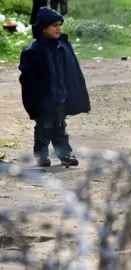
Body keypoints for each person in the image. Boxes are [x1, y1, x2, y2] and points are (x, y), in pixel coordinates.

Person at [19, 7, 91, 167]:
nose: (58, 28)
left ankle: (65, 154)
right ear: (44, 28)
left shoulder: (63, 47)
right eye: (54, 25)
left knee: (60, 126)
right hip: (43, 98)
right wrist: (33, 103)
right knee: (44, 127)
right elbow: (28, 81)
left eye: (59, 25)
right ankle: (41, 156)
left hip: (61, 95)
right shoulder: (34, 51)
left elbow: (73, 72)